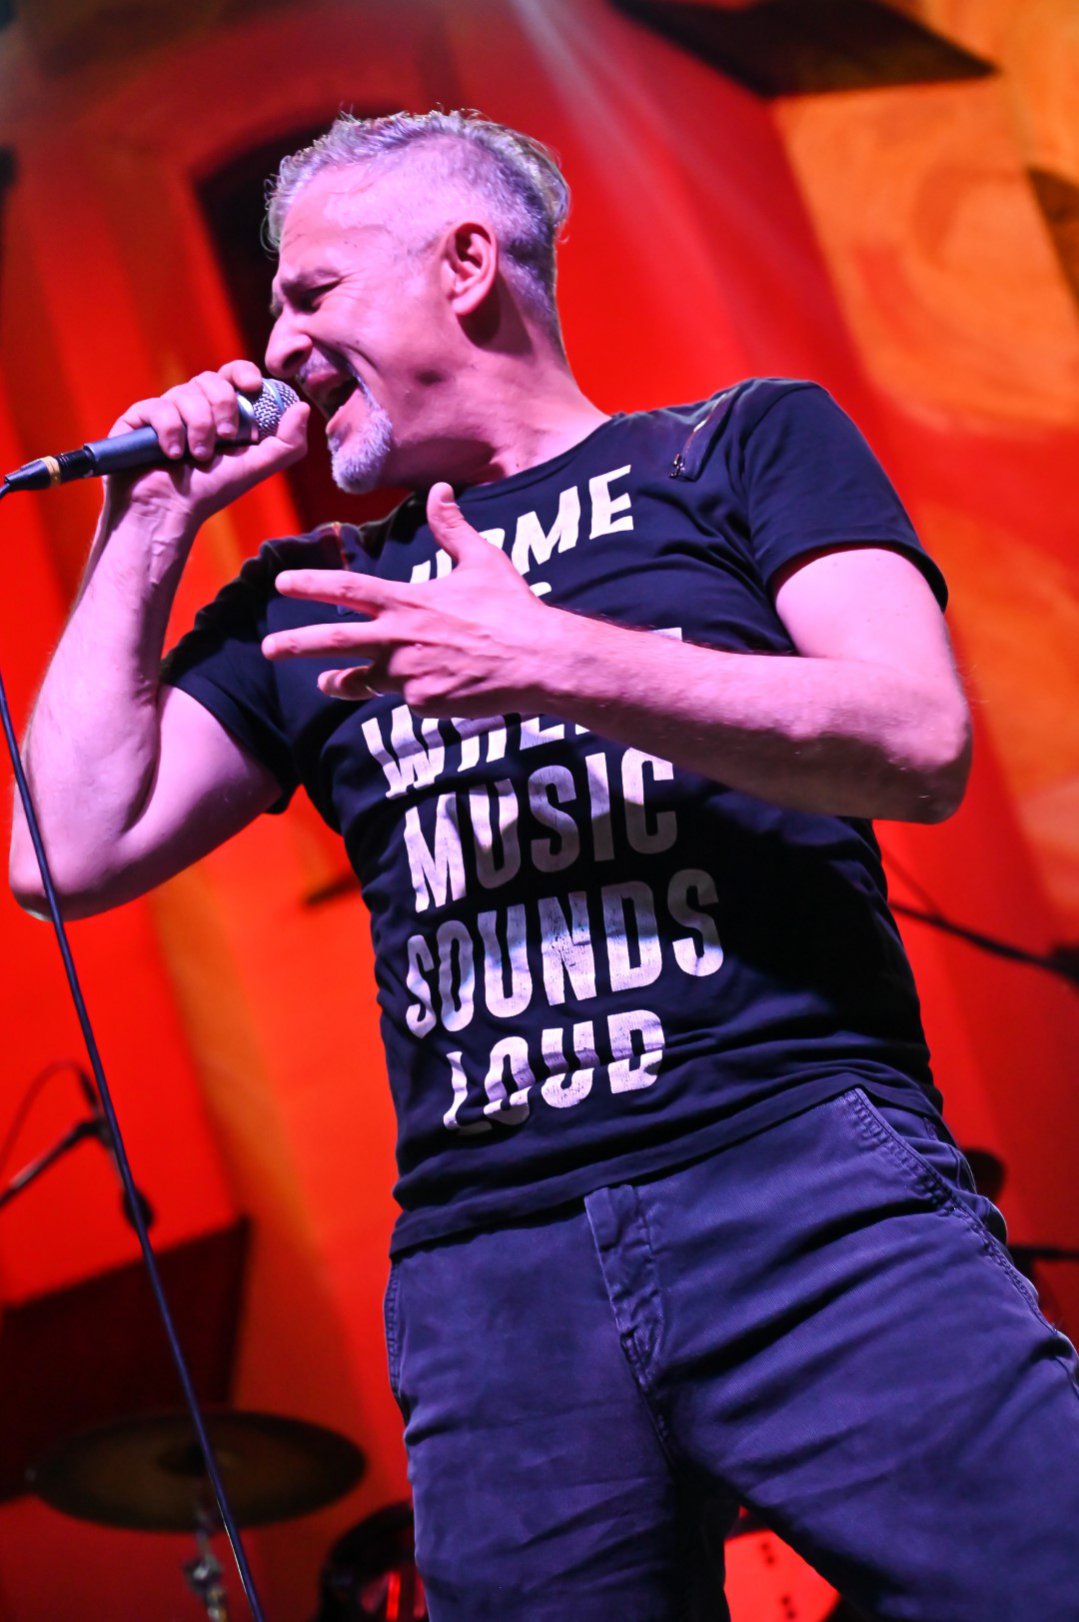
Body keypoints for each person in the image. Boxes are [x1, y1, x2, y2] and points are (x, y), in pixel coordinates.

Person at [10, 110, 1079, 1621]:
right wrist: (150, 524)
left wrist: (553, 657)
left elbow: (917, 735)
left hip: (799, 1186)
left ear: (466, 266)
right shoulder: (316, 593)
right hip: (490, 1272)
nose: (279, 345)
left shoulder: (737, 448)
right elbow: (62, 850)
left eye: (312, 293)